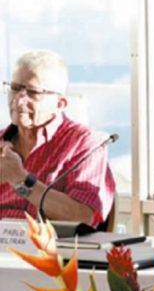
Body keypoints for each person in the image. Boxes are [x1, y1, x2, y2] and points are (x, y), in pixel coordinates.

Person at [0, 50, 115, 227]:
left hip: (52, 250)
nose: (19, 100)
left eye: (33, 92)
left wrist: (20, 179)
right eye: (15, 88)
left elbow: (83, 217)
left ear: (60, 104)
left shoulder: (84, 143)